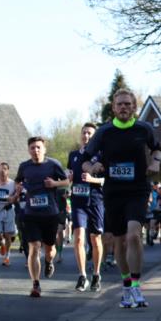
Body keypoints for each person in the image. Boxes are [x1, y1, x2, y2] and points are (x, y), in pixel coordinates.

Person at [83, 88, 161, 308]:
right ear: (114, 107)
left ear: (134, 107)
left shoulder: (143, 129)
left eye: (128, 104)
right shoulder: (104, 132)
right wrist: (93, 166)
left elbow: (157, 149)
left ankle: (136, 287)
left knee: (134, 235)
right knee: (118, 241)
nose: (124, 107)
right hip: (113, 191)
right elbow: (85, 159)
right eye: (120, 104)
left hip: (138, 188)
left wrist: (155, 162)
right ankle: (126, 285)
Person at [15, 137, 70, 298]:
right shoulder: (24, 166)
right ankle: (36, 284)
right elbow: (18, 181)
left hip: (50, 214)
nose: (35, 150)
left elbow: (66, 181)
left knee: (49, 249)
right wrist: (18, 187)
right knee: (34, 247)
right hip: (31, 214)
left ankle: (49, 261)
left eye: (38, 147)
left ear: (44, 149)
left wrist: (54, 184)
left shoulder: (53, 164)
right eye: (32, 148)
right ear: (28, 150)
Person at [67, 122, 105, 292]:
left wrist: (94, 180)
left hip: (96, 200)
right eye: (84, 133)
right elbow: (70, 176)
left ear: (95, 136)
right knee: (79, 238)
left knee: (95, 239)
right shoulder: (74, 155)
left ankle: (96, 274)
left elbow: (107, 180)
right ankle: (82, 275)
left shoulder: (102, 154)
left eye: (90, 133)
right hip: (78, 201)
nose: (86, 136)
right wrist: (68, 177)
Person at [0, 161, 18, 267]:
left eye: (5, 169)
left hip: (8, 210)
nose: (3, 171)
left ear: (8, 171)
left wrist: (13, 198)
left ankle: (7, 257)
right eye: (1, 169)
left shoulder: (12, 184)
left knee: (8, 235)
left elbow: (17, 196)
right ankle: (1, 243)